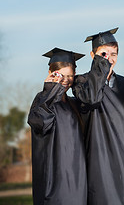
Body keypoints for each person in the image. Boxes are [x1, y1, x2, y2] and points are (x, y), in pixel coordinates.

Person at [72, 28, 124, 205]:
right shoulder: (82, 82)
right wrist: (101, 68)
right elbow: (92, 99)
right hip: (100, 155)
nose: (109, 58)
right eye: (103, 53)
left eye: (113, 53)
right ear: (92, 55)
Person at [28, 48, 87, 205]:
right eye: (62, 75)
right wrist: (50, 90)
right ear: (51, 73)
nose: (66, 81)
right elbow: (40, 123)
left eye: (70, 76)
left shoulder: (74, 103)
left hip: (78, 178)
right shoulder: (42, 101)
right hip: (55, 180)